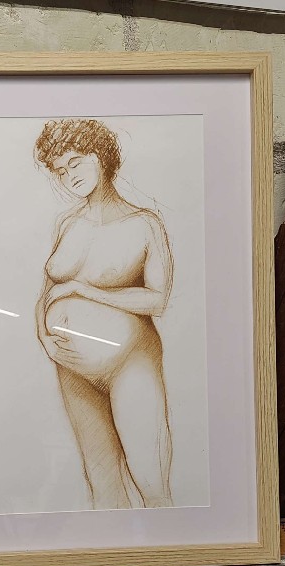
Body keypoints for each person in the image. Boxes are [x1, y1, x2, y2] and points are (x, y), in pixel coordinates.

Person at [34, 118, 173, 509]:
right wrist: (45, 338)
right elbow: (46, 291)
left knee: (151, 483)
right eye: (60, 171)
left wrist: (85, 290)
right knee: (103, 487)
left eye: (75, 163)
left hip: (130, 362)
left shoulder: (144, 223)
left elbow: (158, 300)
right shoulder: (67, 223)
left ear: (100, 156)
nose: (69, 177)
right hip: (72, 369)